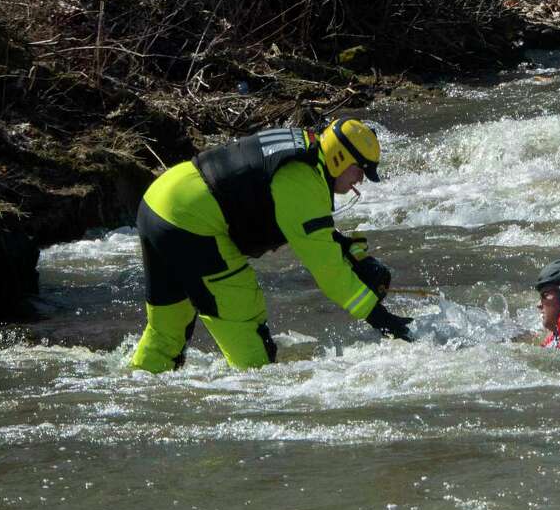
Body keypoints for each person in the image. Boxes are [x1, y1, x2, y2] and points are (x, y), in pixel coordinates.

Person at [129, 118, 413, 373]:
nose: (360, 180)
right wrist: (381, 318)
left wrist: (340, 244)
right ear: (341, 158)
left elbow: (304, 226)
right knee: (251, 350)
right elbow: (328, 270)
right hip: (192, 223)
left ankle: (136, 392)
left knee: (167, 330)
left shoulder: (304, 146)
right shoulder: (303, 180)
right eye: (361, 170)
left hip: (159, 203)